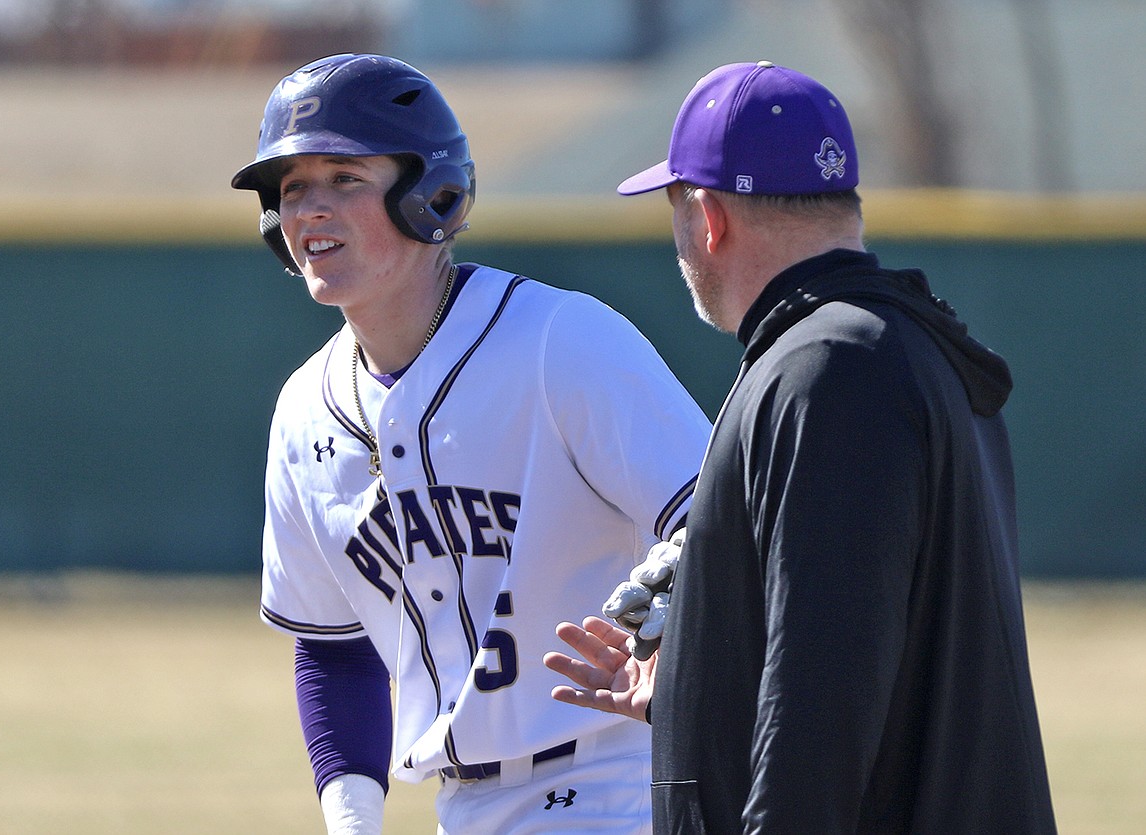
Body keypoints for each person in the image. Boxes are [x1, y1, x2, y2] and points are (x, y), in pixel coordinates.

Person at [545, 61, 1057, 833]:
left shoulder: (829, 368)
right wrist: (698, 690)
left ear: (709, 217)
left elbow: (825, 694)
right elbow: (873, 665)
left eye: (676, 209)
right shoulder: (899, 348)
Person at [230, 53, 711, 834]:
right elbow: (334, 647)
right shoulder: (302, 415)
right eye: (291, 189)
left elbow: (720, 518)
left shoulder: (561, 340)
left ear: (431, 194)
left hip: (621, 776)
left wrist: (680, 629)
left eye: (345, 177)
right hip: (466, 805)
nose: (311, 209)